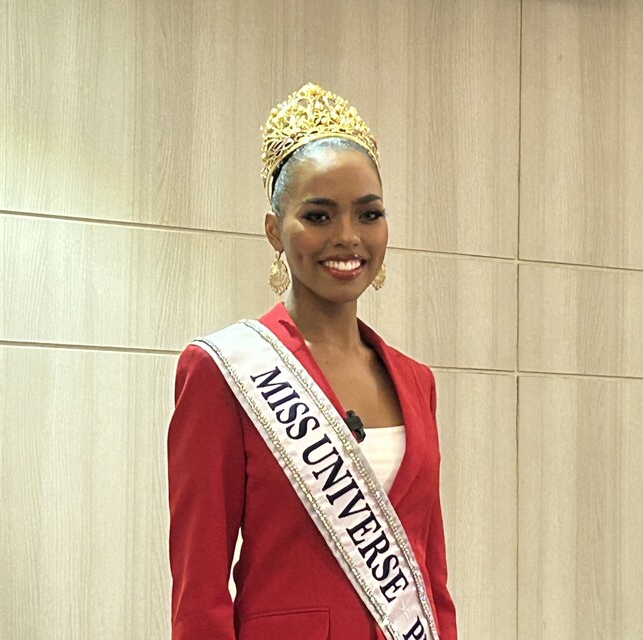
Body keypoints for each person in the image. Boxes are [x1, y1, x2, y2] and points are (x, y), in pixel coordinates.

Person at [167, 83, 458, 640]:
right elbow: (198, 593)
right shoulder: (225, 371)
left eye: (368, 214)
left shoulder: (416, 381)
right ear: (274, 230)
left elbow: (430, 576)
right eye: (319, 216)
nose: (347, 237)